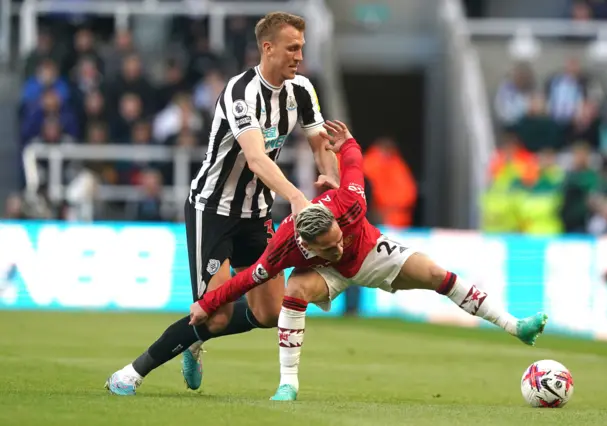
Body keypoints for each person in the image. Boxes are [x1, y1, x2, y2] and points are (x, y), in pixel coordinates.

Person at [188, 120, 549, 401]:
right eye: (327, 246)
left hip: (370, 252)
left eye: (336, 239)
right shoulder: (286, 246)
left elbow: (354, 163)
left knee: (437, 274)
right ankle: (288, 385)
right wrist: (207, 302)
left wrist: (348, 143)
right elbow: (245, 279)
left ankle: (516, 327)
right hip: (324, 275)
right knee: (294, 290)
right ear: (307, 243)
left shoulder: (352, 203)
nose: (337, 247)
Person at [105, 12, 339, 395]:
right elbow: (256, 158)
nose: (299, 55)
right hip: (212, 210)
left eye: (302, 47)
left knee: (268, 313)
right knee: (215, 317)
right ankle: (131, 372)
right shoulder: (240, 92)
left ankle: (194, 337)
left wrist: (329, 174)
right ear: (268, 48)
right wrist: (296, 196)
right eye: (292, 47)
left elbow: (319, 143)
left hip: (256, 214)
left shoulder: (302, 90)